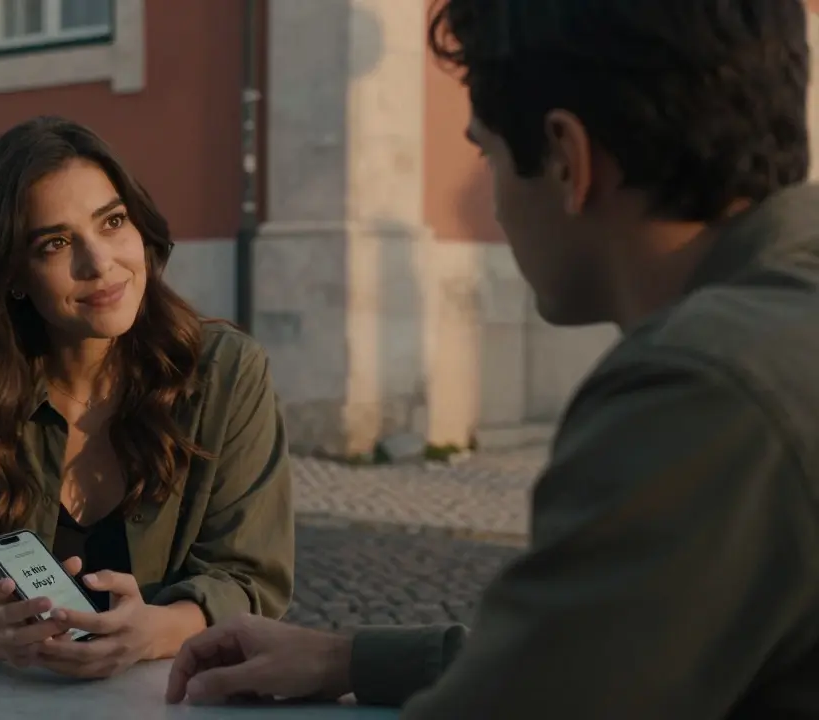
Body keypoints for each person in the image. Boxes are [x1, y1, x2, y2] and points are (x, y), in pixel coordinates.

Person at [166, 0, 819, 717]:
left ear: (568, 160)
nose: (496, 204)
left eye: (488, 156)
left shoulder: (700, 384)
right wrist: (345, 656)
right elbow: (594, 654)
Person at [0, 116, 294, 680]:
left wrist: (152, 632)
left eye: (113, 222)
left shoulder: (226, 372)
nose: (99, 264)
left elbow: (249, 579)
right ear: (14, 273)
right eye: (55, 242)